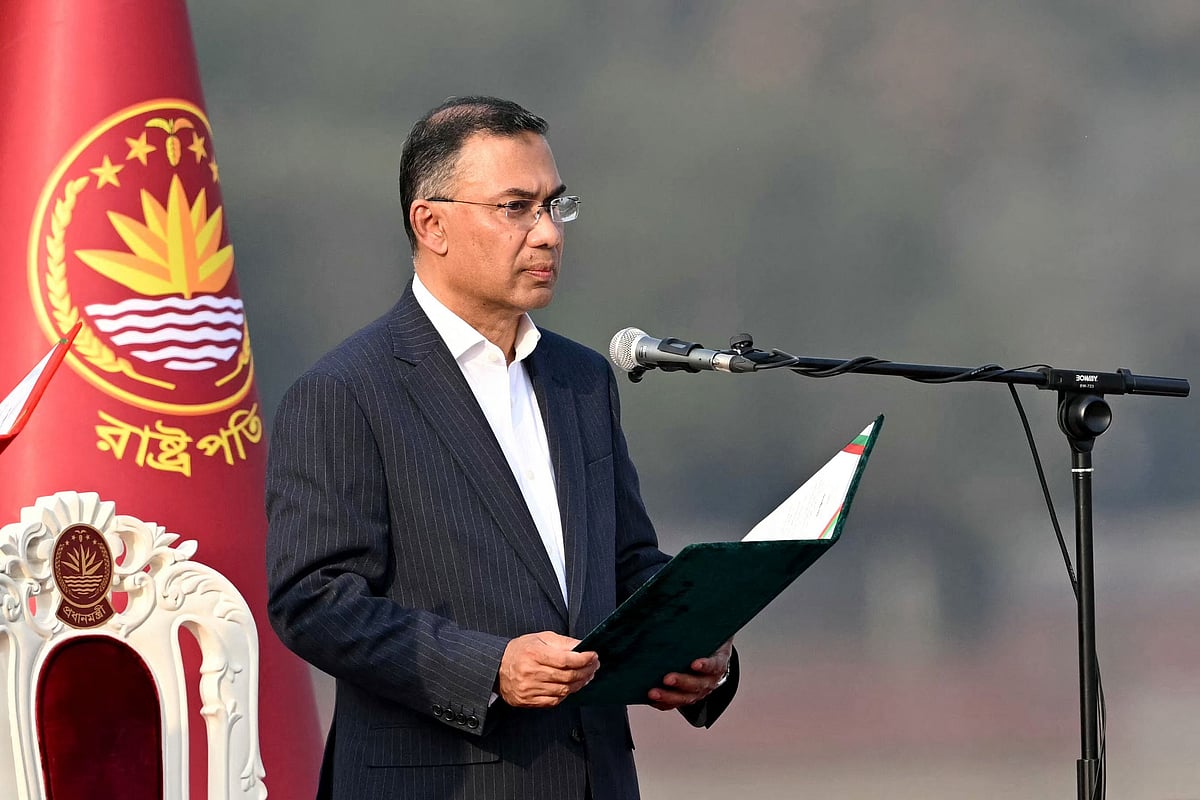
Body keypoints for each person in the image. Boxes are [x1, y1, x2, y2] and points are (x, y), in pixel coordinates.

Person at [265, 95, 737, 800]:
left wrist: (699, 637)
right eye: (516, 208)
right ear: (431, 224)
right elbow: (315, 601)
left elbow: (625, 562)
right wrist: (488, 668)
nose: (548, 234)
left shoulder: (581, 379)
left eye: (555, 205)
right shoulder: (346, 390)